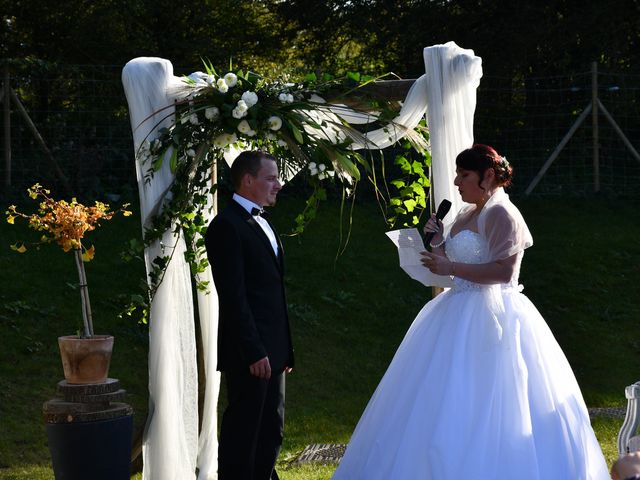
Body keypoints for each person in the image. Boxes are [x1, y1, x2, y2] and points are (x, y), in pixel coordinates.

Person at [331, 144, 609, 479]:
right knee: (439, 395)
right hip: (455, 310)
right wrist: (435, 243)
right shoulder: (465, 213)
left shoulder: (502, 214)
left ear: (487, 176)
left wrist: (450, 264)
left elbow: (504, 271)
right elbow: (454, 262)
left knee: (495, 394)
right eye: (458, 174)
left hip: (493, 315)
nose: (457, 182)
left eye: (464, 175)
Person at [205, 150, 294, 480]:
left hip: (273, 350)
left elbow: (272, 294)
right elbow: (234, 297)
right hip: (249, 353)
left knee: (272, 428)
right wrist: (254, 350)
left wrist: (284, 349)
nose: (279, 185)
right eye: (271, 178)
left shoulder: (263, 223)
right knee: (244, 432)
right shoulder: (226, 226)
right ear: (247, 180)